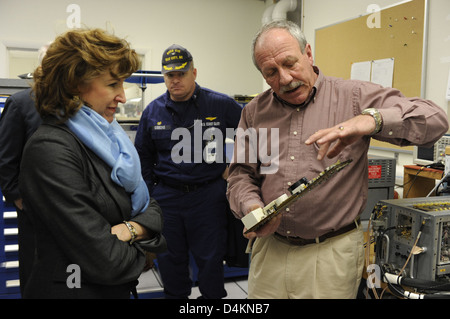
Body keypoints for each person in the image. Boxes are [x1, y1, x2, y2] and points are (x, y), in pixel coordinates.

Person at [226, 20, 449, 299]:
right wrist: (252, 207)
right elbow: (240, 175)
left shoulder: (353, 97)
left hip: (331, 253)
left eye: (290, 63)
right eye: (271, 72)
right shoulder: (254, 112)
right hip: (271, 249)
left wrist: (372, 120)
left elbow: (436, 120)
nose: (284, 79)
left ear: (308, 53)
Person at [18, 28, 166, 299]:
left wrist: (130, 229)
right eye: (112, 84)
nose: (122, 96)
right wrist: (143, 236)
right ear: (75, 83)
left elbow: (151, 207)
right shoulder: (50, 149)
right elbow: (107, 259)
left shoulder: (109, 140)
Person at [135, 44, 242, 299]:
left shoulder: (220, 104)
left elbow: (254, 138)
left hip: (207, 196)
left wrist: (234, 170)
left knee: (210, 262)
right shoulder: (153, 111)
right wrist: (152, 193)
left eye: (181, 74)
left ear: (194, 72)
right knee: (171, 262)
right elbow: (142, 157)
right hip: (167, 199)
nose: (175, 80)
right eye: (169, 75)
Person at [0, 43, 49, 295]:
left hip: (69, 213)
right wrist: (19, 200)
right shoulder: (20, 104)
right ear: (42, 68)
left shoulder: (75, 107)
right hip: (33, 213)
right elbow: (5, 160)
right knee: (33, 277)